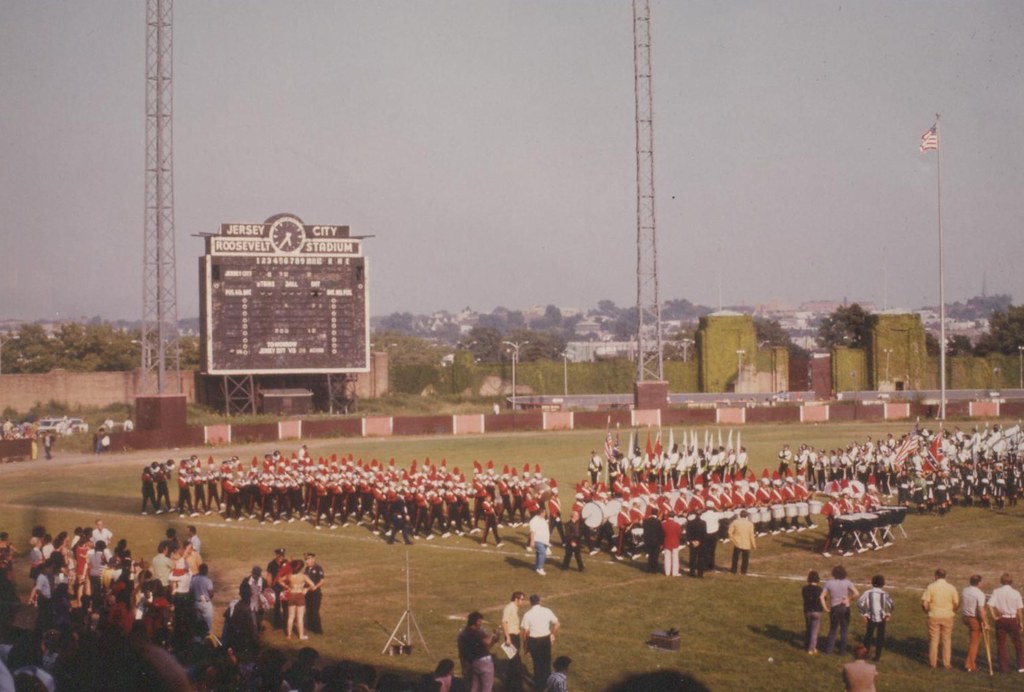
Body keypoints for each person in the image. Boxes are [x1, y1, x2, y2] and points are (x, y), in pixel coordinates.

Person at [921, 568, 959, 669]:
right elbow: (956, 603)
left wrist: (928, 611)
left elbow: (925, 604)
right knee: (947, 640)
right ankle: (947, 663)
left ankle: (933, 663)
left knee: (934, 640)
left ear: (936, 576)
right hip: (947, 616)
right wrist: (951, 611)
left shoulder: (931, 587)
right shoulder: (951, 588)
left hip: (934, 615)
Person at [986, 572, 1024, 674]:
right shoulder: (1015, 593)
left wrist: (994, 616)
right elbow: (1019, 609)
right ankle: (1021, 666)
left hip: (1001, 619)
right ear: (1011, 582)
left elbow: (990, 604)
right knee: (1018, 644)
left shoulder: (996, 591)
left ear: (1001, 581)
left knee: (1001, 644)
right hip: (1012, 619)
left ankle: (1003, 668)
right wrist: (1021, 622)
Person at [521, 594, 559, 692]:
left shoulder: (527, 614)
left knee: (537, 664)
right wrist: (552, 635)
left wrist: (525, 646)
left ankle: (539, 687)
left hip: (534, 641)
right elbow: (557, 624)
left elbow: (525, 632)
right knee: (546, 663)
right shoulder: (547, 611)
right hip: (545, 640)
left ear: (530, 603)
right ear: (539, 601)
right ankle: (547, 686)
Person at [822, 565, 859, 655]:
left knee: (833, 629)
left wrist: (825, 607)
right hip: (845, 608)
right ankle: (842, 651)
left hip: (835, 608)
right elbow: (856, 593)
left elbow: (822, 596)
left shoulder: (829, 583)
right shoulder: (847, 582)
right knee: (844, 629)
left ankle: (828, 650)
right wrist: (849, 599)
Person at [856, 574, 893, 661]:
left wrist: (864, 614)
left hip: (870, 618)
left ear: (872, 583)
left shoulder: (867, 593)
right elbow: (891, 605)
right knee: (880, 637)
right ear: (883, 584)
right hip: (881, 618)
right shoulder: (884, 594)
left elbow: (859, 603)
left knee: (868, 636)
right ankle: (877, 656)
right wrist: (888, 614)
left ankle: (865, 654)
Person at [457, 611, 496, 692]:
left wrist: (494, 640)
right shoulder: (475, 632)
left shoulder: (463, 633)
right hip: (484, 662)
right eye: (480, 621)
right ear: (476, 621)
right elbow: (487, 642)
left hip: (473, 662)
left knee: (474, 687)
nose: (481, 623)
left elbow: (486, 646)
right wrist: (493, 635)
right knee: (486, 687)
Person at [960, 574, 989, 673]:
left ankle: (970, 663)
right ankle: (970, 665)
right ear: (979, 583)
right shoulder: (980, 594)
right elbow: (980, 610)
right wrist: (985, 623)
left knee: (973, 640)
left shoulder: (965, 590)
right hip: (974, 619)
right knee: (974, 643)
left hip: (965, 617)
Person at [284, 559, 315, 641]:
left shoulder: (289, 576)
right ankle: (301, 635)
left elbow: (280, 580)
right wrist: (306, 589)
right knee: (300, 617)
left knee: (290, 617)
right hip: (300, 595)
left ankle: (289, 635)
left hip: (291, 594)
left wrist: (287, 587)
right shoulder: (303, 576)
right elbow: (313, 586)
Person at [502, 592, 526, 692]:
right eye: (522, 599)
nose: (523, 601)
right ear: (516, 599)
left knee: (513, 662)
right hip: (511, 637)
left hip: (514, 636)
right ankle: (516, 687)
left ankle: (509, 686)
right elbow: (504, 621)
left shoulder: (514, 608)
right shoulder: (509, 608)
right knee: (516, 663)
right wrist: (507, 637)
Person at [727, 509, 756, 575]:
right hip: (746, 543)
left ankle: (733, 570)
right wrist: (753, 544)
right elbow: (751, 535)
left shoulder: (735, 522)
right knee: (745, 559)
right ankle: (743, 571)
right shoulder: (750, 524)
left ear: (740, 515)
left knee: (735, 557)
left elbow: (729, 532)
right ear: (746, 516)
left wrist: (733, 539)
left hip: (737, 543)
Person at [802, 570, 824, 655]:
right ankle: (811, 649)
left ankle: (807, 644)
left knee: (808, 629)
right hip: (817, 611)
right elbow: (823, 599)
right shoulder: (820, 589)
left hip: (807, 611)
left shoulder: (804, 588)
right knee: (814, 631)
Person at [304, 552, 325, 635]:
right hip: (308, 593)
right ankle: (310, 627)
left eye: (308, 559)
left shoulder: (318, 568)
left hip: (315, 593)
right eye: (306, 560)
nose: (306, 561)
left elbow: (322, 581)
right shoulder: (306, 569)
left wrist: (315, 587)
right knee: (308, 610)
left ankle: (318, 630)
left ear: (313, 559)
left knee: (314, 611)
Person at [191, 562, 215, 634]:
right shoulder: (208, 580)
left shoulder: (194, 579)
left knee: (197, 623)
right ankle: (206, 638)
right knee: (208, 623)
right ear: (206, 571)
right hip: (206, 603)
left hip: (196, 603)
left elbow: (191, 590)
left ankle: (197, 640)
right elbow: (211, 593)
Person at [528, 508, 550, 576]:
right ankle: (540, 568)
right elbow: (532, 532)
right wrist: (532, 541)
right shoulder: (534, 521)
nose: (545, 514)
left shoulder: (542, 519)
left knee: (539, 553)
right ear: (541, 513)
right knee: (542, 553)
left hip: (544, 540)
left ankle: (537, 566)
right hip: (538, 540)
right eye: (544, 512)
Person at [685, 513, 707, 578]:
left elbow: (688, 534)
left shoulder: (690, 523)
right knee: (701, 558)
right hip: (701, 543)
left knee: (692, 558)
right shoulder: (703, 523)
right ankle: (700, 573)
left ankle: (692, 572)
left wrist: (692, 541)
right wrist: (699, 541)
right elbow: (704, 534)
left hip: (693, 542)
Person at [661, 511, 682, 577]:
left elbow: (662, 533)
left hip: (667, 541)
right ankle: (674, 573)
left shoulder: (664, 524)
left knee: (667, 557)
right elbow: (679, 534)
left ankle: (667, 572)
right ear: (674, 516)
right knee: (675, 558)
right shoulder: (677, 524)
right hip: (675, 542)